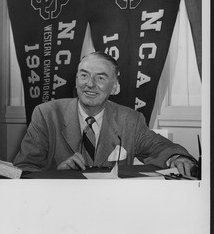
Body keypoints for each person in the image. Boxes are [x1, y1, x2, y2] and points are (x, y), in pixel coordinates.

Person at [13, 51, 197, 176]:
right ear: (76, 80)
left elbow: (160, 148)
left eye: (100, 78)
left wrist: (177, 158)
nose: (90, 84)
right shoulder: (46, 114)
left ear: (115, 87)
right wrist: (56, 175)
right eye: (84, 75)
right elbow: (23, 169)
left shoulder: (130, 120)